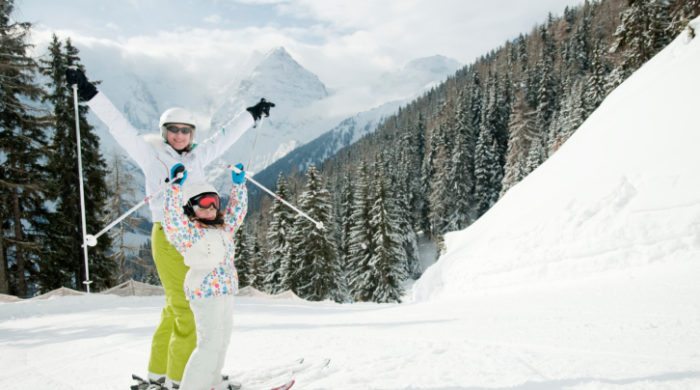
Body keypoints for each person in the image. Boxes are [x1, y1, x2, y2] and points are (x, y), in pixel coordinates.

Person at [65, 68, 274, 389]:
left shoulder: (197, 157)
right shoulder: (151, 156)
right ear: (164, 132)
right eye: (173, 130)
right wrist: (89, 91)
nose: (179, 135)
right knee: (186, 312)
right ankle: (181, 382)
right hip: (169, 235)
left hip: (197, 236)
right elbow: (119, 126)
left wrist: (251, 114)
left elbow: (224, 136)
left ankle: (158, 375)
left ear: (192, 134)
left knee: (172, 309)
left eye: (185, 130)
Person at [162, 164, 247, 390]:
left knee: (222, 342)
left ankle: (212, 382)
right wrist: (175, 190)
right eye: (204, 204)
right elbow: (172, 220)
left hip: (225, 292)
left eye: (215, 203)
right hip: (205, 294)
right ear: (190, 208)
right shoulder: (188, 233)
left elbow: (237, 212)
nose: (211, 209)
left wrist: (239, 186)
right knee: (209, 344)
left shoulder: (223, 229)